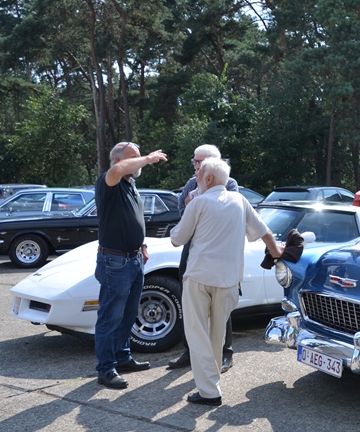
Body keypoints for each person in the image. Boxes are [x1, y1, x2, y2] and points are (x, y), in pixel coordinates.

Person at [170, 157, 283, 406]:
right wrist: (277, 252)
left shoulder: (198, 202)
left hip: (199, 277)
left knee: (197, 333)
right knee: (217, 333)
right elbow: (265, 233)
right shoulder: (240, 200)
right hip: (229, 280)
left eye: (199, 175)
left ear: (209, 179)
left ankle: (209, 391)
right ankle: (212, 383)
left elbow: (177, 239)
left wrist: (186, 210)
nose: (196, 179)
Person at [94, 141, 168, 389]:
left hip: (134, 258)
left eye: (139, 157)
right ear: (117, 160)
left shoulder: (129, 184)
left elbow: (130, 219)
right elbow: (116, 171)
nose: (139, 162)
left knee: (128, 313)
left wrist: (142, 244)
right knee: (110, 316)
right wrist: (148, 158)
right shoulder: (109, 181)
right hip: (115, 260)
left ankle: (122, 357)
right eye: (132, 158)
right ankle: (106, 369)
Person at [167, 144, 239, 373]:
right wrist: (191, 206)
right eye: (194, 161)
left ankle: (225, 353)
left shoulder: (229, 184)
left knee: (221, 304)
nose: (195, 166)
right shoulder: (191, 183)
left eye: (199, 162)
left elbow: (226, 216)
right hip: (194, 247)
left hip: (219, 252)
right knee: (189, 302)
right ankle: (191, 351)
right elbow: (183, 214)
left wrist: (197, 207)